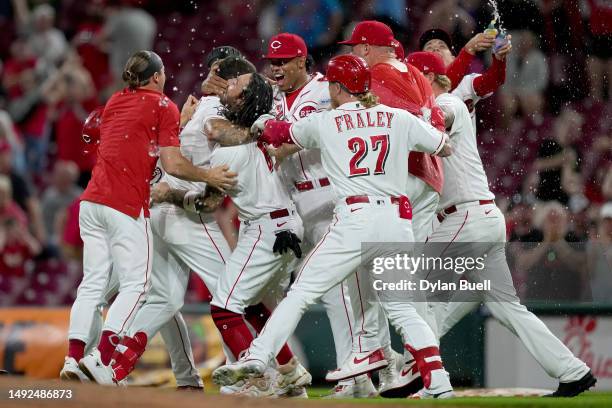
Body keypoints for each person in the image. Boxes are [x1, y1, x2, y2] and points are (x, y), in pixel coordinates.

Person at [212, 54, 456, 400]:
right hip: (397, 223)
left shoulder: (326, 122)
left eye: (331, 83)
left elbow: (278, 132)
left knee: (300, 294)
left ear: (338, 87)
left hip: (355, 223)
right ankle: (439, 381)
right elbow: (444, 147)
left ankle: (257, 356)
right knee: (401, 308)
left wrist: (260, 120)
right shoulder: (398, 117)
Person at [407, 51, 596, 398]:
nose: (410, 84)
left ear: (427, 79)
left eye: (414, 77)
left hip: (464, 217)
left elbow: (442, 115)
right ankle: (574, 371)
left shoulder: (447, 102)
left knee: (418, 291)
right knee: (506, 307)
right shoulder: (434, 110)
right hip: (479, 218)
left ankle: (425, 379)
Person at [62, 50, 237, 385]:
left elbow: (142, 146)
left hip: (91, 202)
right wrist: (209, 175)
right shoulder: (161, 106)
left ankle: (75, 358)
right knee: (139, 286)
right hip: (128, 207)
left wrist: (180, 124)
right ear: (157, 76)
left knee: (96, 287)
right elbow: (168, 162)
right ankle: (101, 357)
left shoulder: (114, 102)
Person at [264, 32, 375, 398]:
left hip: (330, 195)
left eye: (283, 62)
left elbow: (336, 131)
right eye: (272, 62)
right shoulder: (275, 98)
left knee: (341, 293)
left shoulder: (326, 90)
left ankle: (354, 376)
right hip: (298, 205)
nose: (276, 68)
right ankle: (359, 377)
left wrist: (286, 144)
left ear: (301, 60)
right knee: (333, 293)